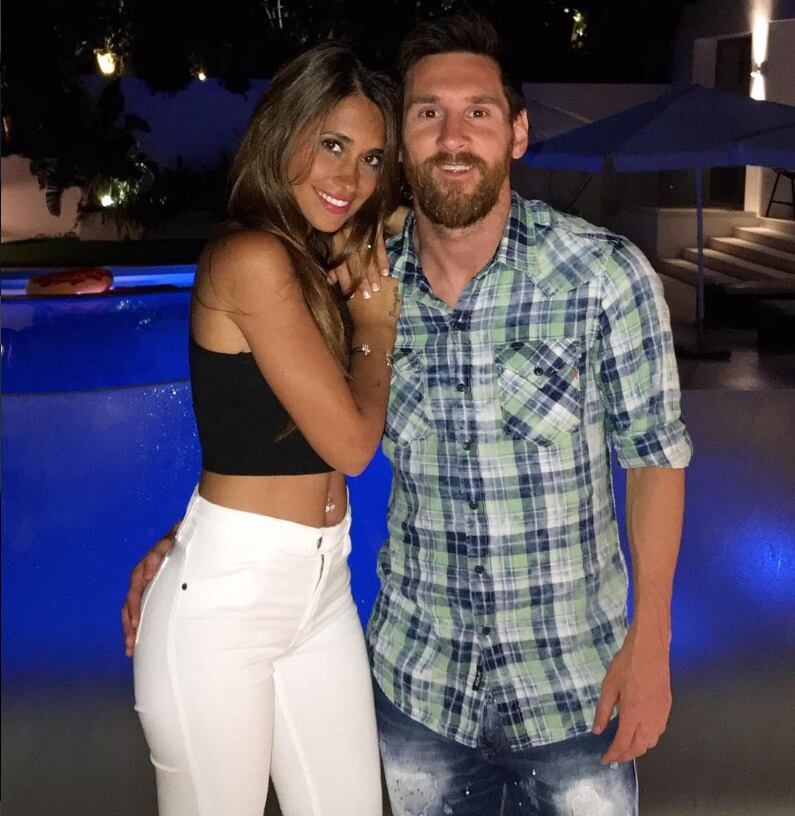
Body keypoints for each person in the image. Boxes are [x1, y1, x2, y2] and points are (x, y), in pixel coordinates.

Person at [125, 15, 692, 815]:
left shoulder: (601, 274)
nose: (452, 136)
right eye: (428, 113)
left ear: (516, 132)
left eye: (478, 112)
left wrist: (652, 640)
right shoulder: (359, 278)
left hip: (569, 689)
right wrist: (190, 540)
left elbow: (654, 456)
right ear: (407, 142)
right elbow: (267, 414)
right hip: (422, 690)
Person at [126, 42, 402, 816]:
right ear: (284, 133)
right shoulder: (250, 257)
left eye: (371, 159)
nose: (350, 178)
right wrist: (374, 329)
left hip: (321, 589)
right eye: (332, 145)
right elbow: (350, 447)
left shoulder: (319, 258)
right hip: (225, 603)